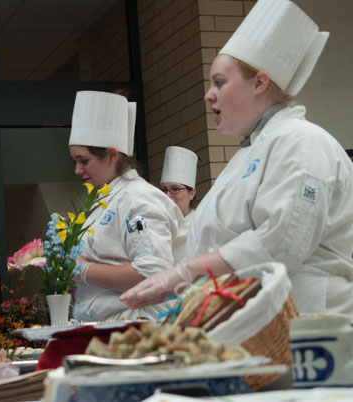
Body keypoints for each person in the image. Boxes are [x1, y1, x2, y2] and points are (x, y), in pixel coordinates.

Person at [121, 0, 353, 316]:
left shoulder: (302, 142)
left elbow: (282, 244)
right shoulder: (250, 152)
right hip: (261, 319)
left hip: (310, 322)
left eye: (220, 82)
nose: (208, 94)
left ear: (259, 82)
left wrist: (184, 272)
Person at [69, 90, 187, 321]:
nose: (77, 170)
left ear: (111, 155)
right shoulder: (105, 200)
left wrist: (83, 271)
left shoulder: (139, 199)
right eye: (75, 161)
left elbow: (152, 275)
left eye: (84, 161)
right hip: (106, 323)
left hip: (138, 323)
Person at [159, 146, 198, 224]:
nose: (167, 195)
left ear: (192, 194)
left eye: (175, 189)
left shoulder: (200, 226)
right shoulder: (158, 225)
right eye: (163, 190)